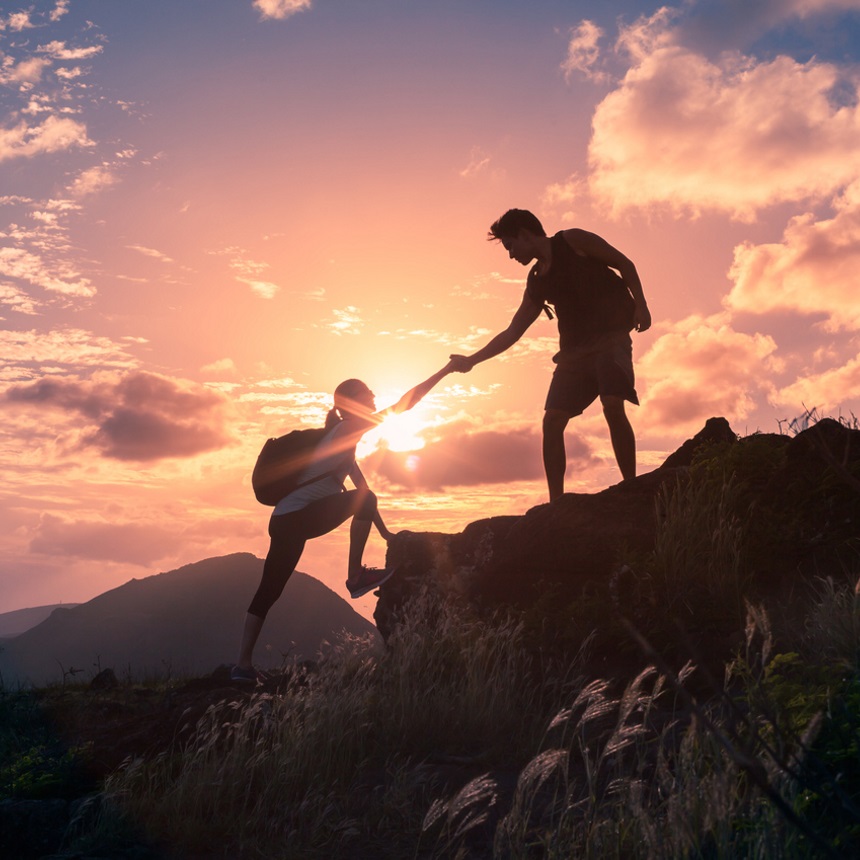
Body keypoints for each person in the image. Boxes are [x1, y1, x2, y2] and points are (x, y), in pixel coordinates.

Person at [233, 362, 453, 682]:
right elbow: (405, 405)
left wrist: (385, 532)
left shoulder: (341, 441)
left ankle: (242, 666)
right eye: (367, 393)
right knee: (271, 589)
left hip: (285, 519)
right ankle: (354, 576)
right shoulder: (348, 428)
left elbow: (361, 491)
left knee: (269, 591)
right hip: (296, 519)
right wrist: (444, 371)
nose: (374, 396)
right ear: (352, 403)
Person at [450, 209, 651, 501]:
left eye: (510, 246)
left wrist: (641, 305)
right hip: (574, 355)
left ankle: (632, 487)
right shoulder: (536, 281)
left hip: (611, 339)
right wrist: (471, 360)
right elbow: (512, 331)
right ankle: (556, 502)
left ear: (524, 234)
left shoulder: (573, 240)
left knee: (611, 403)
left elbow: (624, 263)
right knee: (552, 421)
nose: (510, 255)